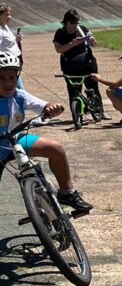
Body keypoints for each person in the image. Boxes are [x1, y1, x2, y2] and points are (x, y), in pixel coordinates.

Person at [0, 51, 93, 214]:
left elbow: (43, 105)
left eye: (12, 78)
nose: (8, 83)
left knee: (55, 148)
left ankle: (67, 193)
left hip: (15, 141)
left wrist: (52, 107)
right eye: (1, 78)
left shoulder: (18, 95)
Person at [52, 9, 102, 118]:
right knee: (74, 91)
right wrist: (73, 44)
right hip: (70, 66)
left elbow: (94, 44)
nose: (75, 25)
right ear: (66, 23)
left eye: (77, 22)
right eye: (72, 23)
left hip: (87, 63)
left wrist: (92, 41)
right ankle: (78, 114)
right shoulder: (60, 33)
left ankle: (99, 111)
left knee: (93, 87)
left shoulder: (82, 29)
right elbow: (58, 49)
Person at [0, 4, 22, 89]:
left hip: (14, 65)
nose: (10, 17)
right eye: (7, 14)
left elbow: (7, 43)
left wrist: (16, 39)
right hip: (7, 68)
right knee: (20, 91)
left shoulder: (4, 26)